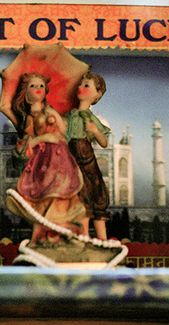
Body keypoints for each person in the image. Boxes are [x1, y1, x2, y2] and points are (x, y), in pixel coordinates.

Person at [3, 72, 86, 243]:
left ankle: (63, 231)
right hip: (44, 161)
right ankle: (45, 234)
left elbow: (64, 131)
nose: (38, 89)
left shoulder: (50, 110)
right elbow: (28, 142)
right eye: (33, 86)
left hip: (61, 158)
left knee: (63, 193)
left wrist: (55, 117)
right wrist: (44, 138)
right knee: (46, 193)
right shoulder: (29, 118)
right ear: (26, 94)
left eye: (41, 85)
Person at [65, 71, 111, 241]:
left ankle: (102, 240)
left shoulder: (90, 118)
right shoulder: (70, 116)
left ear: (97, 95)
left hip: (86, 157)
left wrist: (95, 131)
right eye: (81, 84)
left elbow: (104, 142)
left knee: (95, 191)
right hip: (71, 158)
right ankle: (83, 237)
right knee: (79, 196)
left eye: (86, 85)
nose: (80, 88)